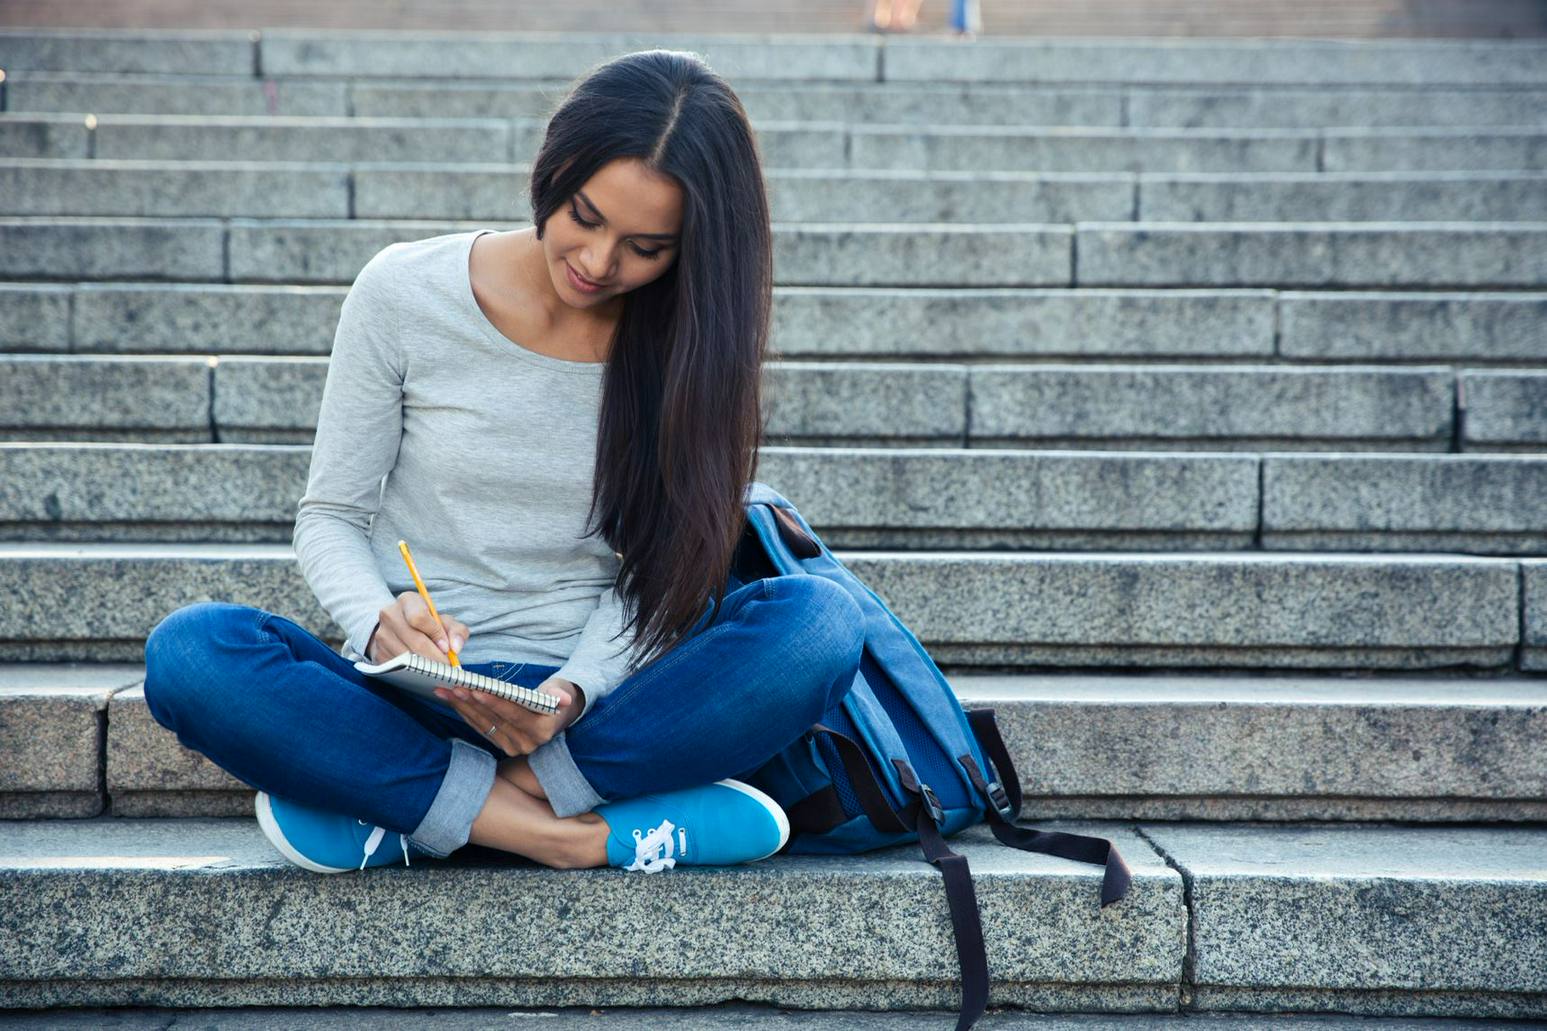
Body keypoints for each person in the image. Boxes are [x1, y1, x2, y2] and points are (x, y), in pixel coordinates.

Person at [141, 49, 867, 875]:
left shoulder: (688, 345)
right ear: (554, 169)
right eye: (585, 217)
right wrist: (381, 618)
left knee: (820, 624)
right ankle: (568, 833)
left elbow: (663, 575)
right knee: (193, 652)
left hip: (595, 709)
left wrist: (571, 692)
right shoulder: (403, 292)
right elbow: (331, 517)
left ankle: (424, 809)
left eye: (645, 246)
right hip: (411, 696)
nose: (598, 263)